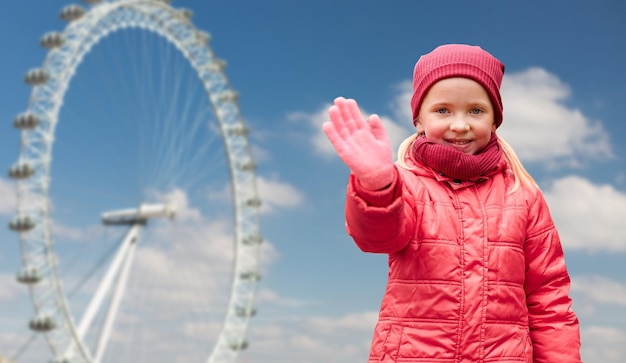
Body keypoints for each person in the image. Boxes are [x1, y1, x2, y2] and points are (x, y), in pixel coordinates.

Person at [322, 44, 582, 363]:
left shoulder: (522, 194)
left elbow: (549, 300)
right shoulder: (406, 185)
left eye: (475, 110)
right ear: (418, 119)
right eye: (442, 110)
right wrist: (377, 185)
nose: (460, 124)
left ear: (495, 120)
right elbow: (376, 237)